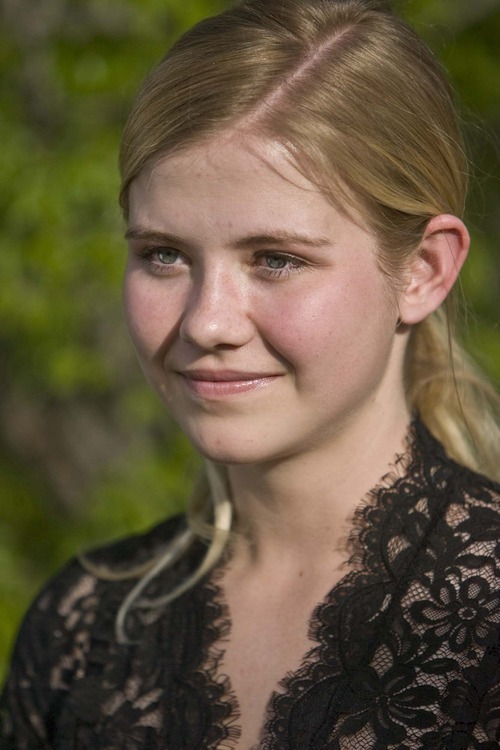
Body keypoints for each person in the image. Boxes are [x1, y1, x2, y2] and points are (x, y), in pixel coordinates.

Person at [1, 0, 500, 747]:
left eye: (277, 260)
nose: (207, 322)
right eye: (164, 254)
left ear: (423, 271)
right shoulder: (84, 630)